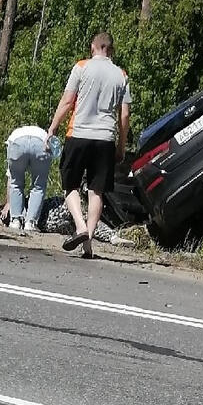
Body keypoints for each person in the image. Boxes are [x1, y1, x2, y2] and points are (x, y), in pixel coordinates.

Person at [45, 31, 131, 258]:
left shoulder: (81, 67)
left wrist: (52, 128)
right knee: (97, 191)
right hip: (105, 138)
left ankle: (80, 227)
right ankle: (88, 243)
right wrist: (121, 146)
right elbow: (124, 116)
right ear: (110, 50)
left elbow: (67, 101)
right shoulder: (121, 75)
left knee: (69, 185)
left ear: (93, 47)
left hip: (79, 133)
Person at [4, 122, 55, 233]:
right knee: (38, 185)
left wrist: (8, 203)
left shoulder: (16, 133)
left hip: (16, 142)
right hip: (41, 142)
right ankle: (30, 223)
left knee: (15, 182)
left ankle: (15, 220)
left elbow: (10, 177)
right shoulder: (43, 132)